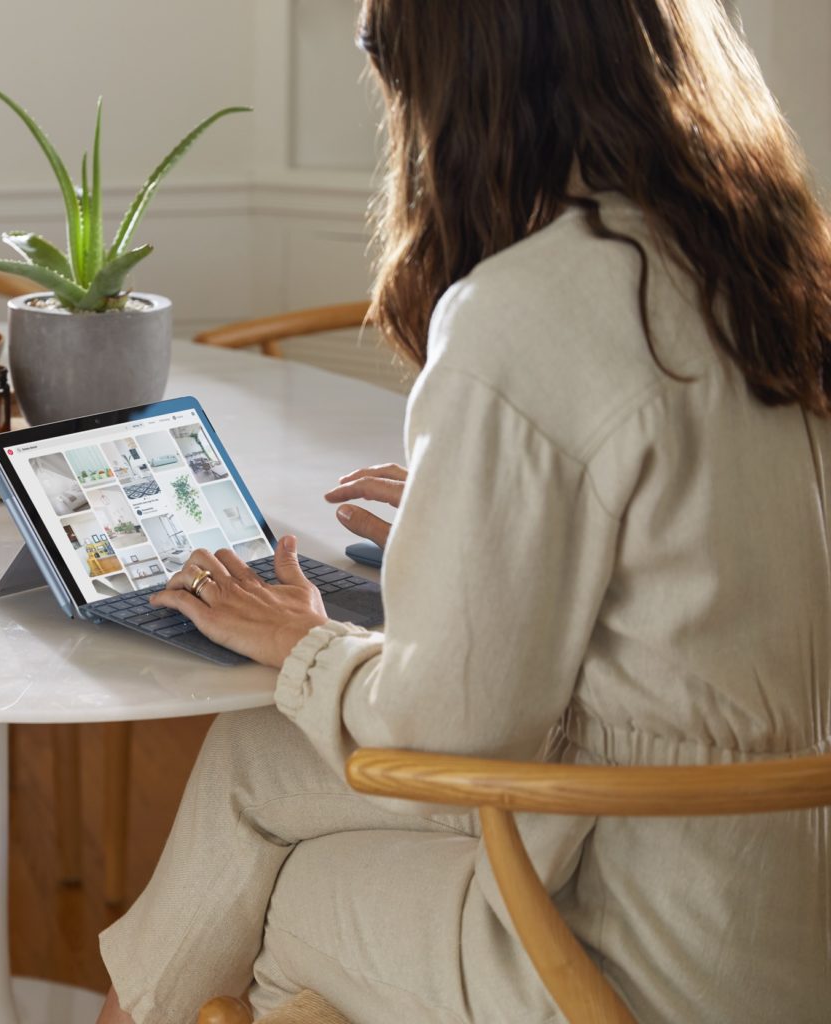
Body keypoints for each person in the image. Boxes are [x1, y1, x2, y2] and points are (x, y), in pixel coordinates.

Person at [95, 0, 831, 1021]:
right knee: (253, 756)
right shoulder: (759, 267)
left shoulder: (527, 306)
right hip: (776, 903)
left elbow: (450, 738)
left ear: (461, 88)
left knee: (284, 899)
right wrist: (479, 537)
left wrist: (304, 642)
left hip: (637, 951)